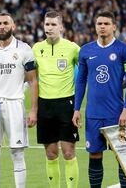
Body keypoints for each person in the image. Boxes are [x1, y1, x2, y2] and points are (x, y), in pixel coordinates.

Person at [72, 11, 126, 188]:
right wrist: (77, 109)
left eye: (106, 23)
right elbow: (81, 81)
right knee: (94, 155)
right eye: (99, 23)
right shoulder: (86, 50)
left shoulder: (124, 49)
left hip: (116, 114)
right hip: (93, 114)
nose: (102, 26)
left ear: (114, 27)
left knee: (122, 156)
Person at [0, 12, 38, 188]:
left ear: (13, 26)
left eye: (5, 23)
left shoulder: (24, 48)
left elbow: (33, 79)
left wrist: (33, 109)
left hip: (14, 104)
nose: (2, 26)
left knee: (17, 153)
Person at [32, 10, 80, 188]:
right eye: (47, 24)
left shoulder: (72, 48)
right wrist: (34, 110)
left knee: (68, 152)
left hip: (66, 104)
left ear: (61, 27)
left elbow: (86, 71)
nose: (49, 28)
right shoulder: (37, 48)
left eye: (53, 24)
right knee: (51, 154)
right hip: (45, 105)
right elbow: (31, 78)